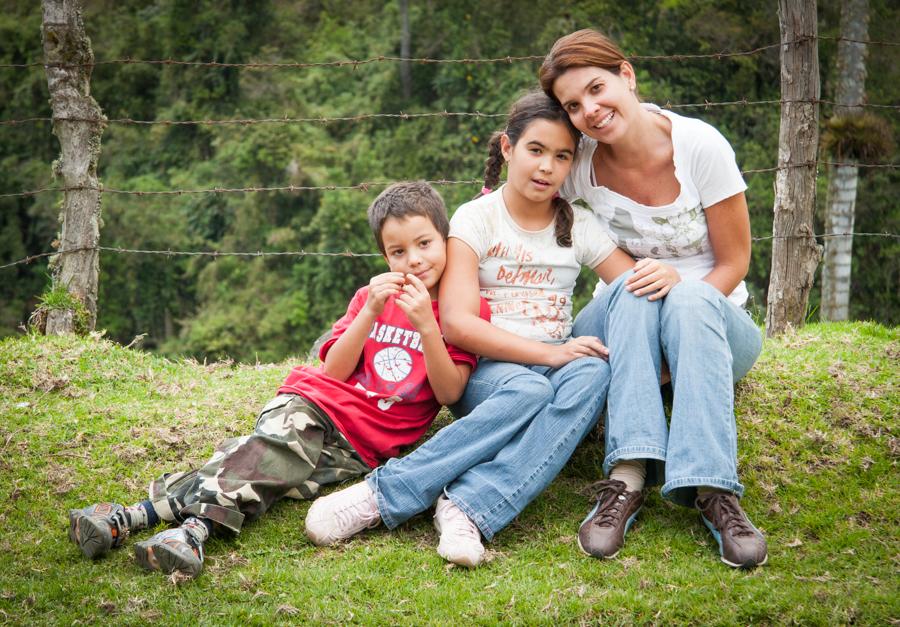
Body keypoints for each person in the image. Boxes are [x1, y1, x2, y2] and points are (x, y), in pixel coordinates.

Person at [304, 92, 660, 568]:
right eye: (536, 150)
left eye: (562, 156)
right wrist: (548, 354)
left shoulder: (579, 225)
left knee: (593, 374)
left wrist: (665, 275)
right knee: (531, 388)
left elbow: (629, 284)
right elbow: (456, 324)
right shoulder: (477, 218)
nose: (547, 167)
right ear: (508, 148)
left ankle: (466, 506)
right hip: (488, 368)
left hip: (553, 357)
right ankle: (382, 494)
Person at [66, 181, 485, 578]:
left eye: (424, 244)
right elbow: (334, 371)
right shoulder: (369, 298)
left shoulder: (462, 313)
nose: (413, 260)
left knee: (266, 474)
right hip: (317, 406)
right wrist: (371, 312)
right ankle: (194, 533)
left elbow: (450, 393)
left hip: (363, 447)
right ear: (385, 258)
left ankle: (127, 516)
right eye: (398, 251)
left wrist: (427, 328)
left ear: (446, 240)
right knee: (269, 456)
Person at [539, 29, 767, 569]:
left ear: (627, 74)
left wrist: (679, 298)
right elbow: (523, 186)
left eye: (597, 89)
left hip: (710, 321)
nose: (590, 111)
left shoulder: (699, 147)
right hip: (627, 327)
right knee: (633, 287)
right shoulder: (581, 162)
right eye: (573, 105)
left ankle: (713, 490)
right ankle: (626, 478)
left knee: (680, 298)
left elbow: (735, 263)